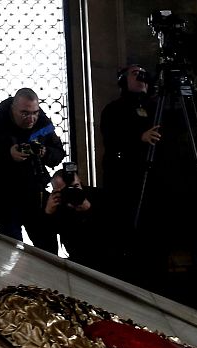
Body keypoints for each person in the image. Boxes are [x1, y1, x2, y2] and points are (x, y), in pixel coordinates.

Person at [0, 88, 66, 251]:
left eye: (35, 113)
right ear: (13, 109)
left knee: (48, 249)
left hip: (36, 194)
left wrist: (45, 152)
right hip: (5, 195)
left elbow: (58, 153)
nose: (31, 118)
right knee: (12, 251)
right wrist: (7, 154)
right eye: (25, 113)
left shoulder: (42, 123)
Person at [100, 64, 165, 287]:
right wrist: (139, 137)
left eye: (143, 73)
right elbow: (111, 140)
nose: (140, 77)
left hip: (154, 181)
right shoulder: (114, 109)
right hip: (125, 179)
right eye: (134, 73)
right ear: (122, 80)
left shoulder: (158, 105)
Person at [44, 166, 117, 273]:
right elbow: (46, 249)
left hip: (109, 262)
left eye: (75, 186)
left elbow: (116, 236)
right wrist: (48, 214)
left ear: (80, 182)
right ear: (56, 191)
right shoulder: (58, 207)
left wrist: (90, 209)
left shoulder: (100, 197)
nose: (72, 192)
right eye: (65, 191)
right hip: (77, 264)